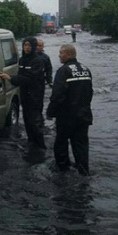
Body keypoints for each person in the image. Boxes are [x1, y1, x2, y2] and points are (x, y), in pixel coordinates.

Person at [46, 44, 93, 175]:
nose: (59, 55)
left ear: (69, 55)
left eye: (61, 53)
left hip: (67, 116)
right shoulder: (85, 69)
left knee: (61, 143)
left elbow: (58, 95)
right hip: (84, 115)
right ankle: (84, 171)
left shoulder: (63, 70)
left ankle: (62, 170)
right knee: (81, 145)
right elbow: (90, 92)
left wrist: (50, 112)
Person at [0, 37, 46, 150]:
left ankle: (41, 145)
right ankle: (31, 142)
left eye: (29, 45)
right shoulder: (22, 60)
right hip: (25, 95)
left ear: (33, 47)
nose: (27, 47)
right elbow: (21, 75)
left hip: (35, 96)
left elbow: (29, 78)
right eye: (25, 45)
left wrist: (11, 78)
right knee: (27, 120)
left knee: (35, 122)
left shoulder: (38, 61)